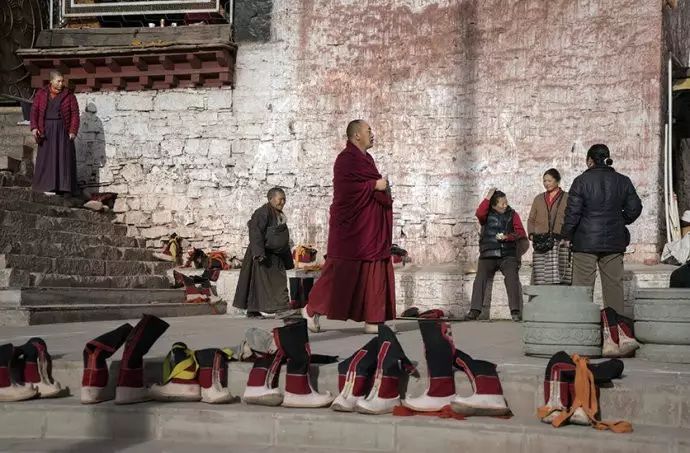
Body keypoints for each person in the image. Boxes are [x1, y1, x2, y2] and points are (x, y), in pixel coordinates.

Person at [302, 120, 395, 334]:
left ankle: (373, 319)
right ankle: (310, 309)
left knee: (373, 270)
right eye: (368, 130)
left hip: (369, 228)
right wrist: (374, 185)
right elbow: (346, 191)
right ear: (356, 136)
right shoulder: (345, 160)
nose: (372, 134)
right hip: (350, 229)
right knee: (340, 274)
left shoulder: (367, 159)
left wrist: (381, 187)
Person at [562, 144, 642, 313]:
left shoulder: (581, 181)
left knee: (582, 288)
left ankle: (583, 329)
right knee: (614, 287)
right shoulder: (623, 180)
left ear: (590, 161)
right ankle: (615, 332)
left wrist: (567, 235)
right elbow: (635, 208)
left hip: (585, 241)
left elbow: (572, 213)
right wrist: (620, 220)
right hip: (614, 241)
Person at [466, 188, 527, 322]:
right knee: (480, 277)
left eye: (506, 202)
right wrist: (488, 197)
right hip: (488, 254)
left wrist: (508, 237)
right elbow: (479, 213)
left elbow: (521, 233)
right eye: (502, 203)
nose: (505, 205)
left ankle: (515, 311)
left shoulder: (512, 214)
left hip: (507, 255)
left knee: (512, 277)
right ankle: (475, 310)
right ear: (494, 205)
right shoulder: (485, 215)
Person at [233, 187, 295, 318]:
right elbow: (255, 232)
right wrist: (259, 253)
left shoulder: (278, 213)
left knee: (265, 281)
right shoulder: (262, 212)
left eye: (284, 199)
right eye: (280, 199)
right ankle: (281, 309)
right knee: (271, 282)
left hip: (276, 255)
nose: (282, 202)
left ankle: (253, 310)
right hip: (264, 254)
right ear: (271, 199)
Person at [29, 70, 80, 196]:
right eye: (58, 81)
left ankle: (63, 188)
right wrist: (34, 127)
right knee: (47, 158)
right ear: (51, 81)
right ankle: (46, 186)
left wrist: (73, 131)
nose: (61, 83)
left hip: (63, 130)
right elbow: (34, 111)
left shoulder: (69, 96)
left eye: (62, 81)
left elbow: (75, 115)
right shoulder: (41, 94)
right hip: (45, 129)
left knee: (63, 158)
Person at [528, 168, 570, 285]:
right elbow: (531, 219)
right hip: (541, 241)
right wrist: (531, 234)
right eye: (544, 181)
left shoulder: (567, 197)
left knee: (560, 274)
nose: (546, 184)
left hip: (560, 240)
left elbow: (571, 217)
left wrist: (568, 236)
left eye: (549, 181)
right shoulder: (538, 198)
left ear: (557, 181)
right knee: (541, 275)